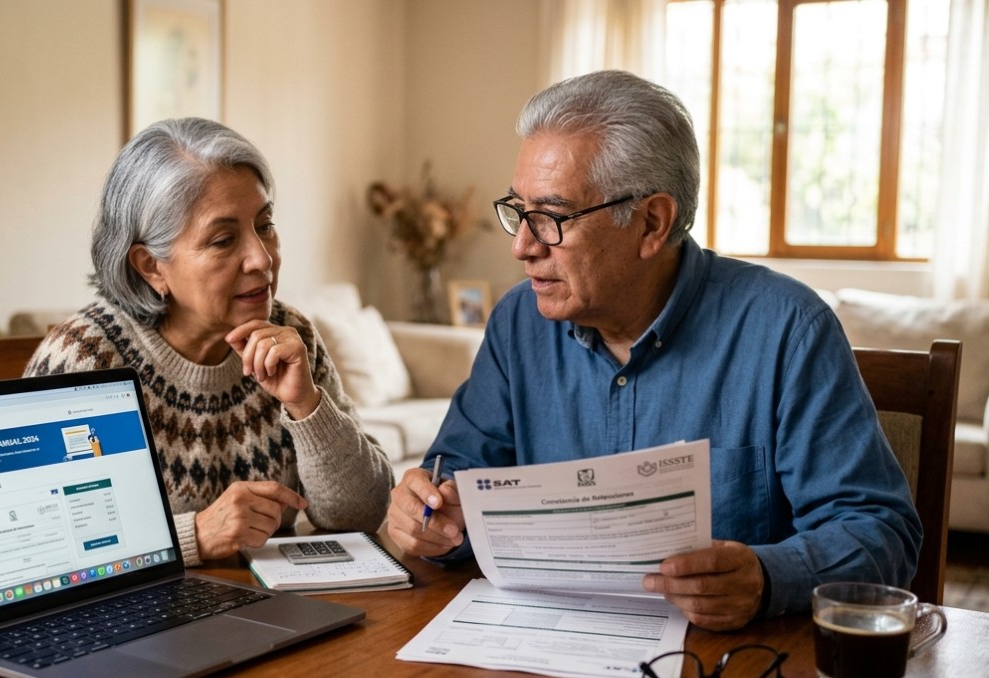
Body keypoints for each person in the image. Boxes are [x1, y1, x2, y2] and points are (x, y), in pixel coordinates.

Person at [387, 70, 921, 631]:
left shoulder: (788, 328)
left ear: (652, 223)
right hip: (538, 642)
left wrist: (766, 577)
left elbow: (879, 530)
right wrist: (431, 516)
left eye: (551, 217)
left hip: (723, 656)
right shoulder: (518, 322)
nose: (522, 246)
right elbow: (458, 477)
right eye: (518, 212)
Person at [26, 117, 393, 566]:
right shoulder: (85, 361)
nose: (262, 258)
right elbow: (41, 544)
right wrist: (192, 536)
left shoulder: (290, 337)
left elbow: (362, 514)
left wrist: (308, 406)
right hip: (143, 621)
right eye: (223, 240)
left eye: (266, 225)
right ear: (151, 266)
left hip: (275, 609)